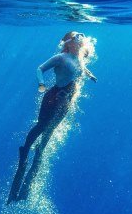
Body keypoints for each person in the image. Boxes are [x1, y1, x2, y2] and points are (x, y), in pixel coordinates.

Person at [7, 31, 97, 203]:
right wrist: (41, 83)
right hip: (54, 97)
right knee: (42, 126)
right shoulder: (61, 58)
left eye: (81, 38)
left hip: (66, 101)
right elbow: (40, 68)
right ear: (69, 42)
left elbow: (81, 67)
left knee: (51, 130)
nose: (81, 39)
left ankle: (38, 155)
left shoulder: (79, 59)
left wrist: (90, 75)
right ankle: (26, 149)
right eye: (77, 37)